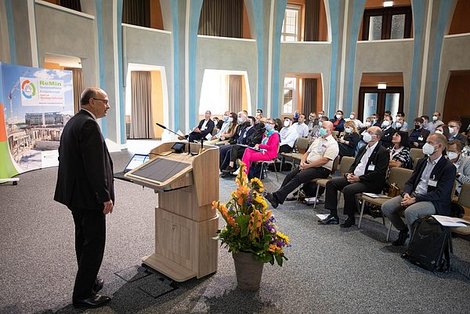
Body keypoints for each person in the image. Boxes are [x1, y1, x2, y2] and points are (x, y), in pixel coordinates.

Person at [54, 87, 114, 308]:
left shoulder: (73, 121)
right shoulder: (88, 125)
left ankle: (90, 281)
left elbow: (64, 156)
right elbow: (95, 167)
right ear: (92, 101)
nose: (107, 106)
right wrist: (104, 197)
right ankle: (83, 295)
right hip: (89, 198)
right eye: (105, 101)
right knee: (94, 244)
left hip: (75, 195)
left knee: (83, 238)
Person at [381, 134, 456, 246]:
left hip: (433, 201)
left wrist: (415, 199)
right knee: (386, 207)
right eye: (427, 141)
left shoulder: (448, 167)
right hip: (414, 195)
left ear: (439, 146)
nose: (426, 145)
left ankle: (414, 244)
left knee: (411, 212)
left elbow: (440, 193)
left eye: (430, 143)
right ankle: (403, 230)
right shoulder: (422, 161)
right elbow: (410, 182)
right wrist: (406, 193)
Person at [320, 126, 389, 227]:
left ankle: (350, 217)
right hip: (355, 177)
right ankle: (333, 214)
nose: (366, 133)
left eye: (370, 132)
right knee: (331, 183)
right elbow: (355, 164)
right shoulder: (363, 148)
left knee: (348, 189)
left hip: (370, 182)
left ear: (377, 137)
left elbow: (379, 173)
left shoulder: (382, 151)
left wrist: (359, 178)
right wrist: (349, 173)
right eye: (367, 131)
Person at [265, 121, 339, 208]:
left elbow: (324, 160)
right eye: (321, 127)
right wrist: (302, 162)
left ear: (330, 130)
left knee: (299, 177)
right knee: (290, 175)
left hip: (322, 169)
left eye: (324, 127)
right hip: (308, 164)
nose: (321, 129)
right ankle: (278, 198)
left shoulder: (332, 143)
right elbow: (307, 153)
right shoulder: (318, 139)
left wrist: (308, 166)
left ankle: (276, 197)